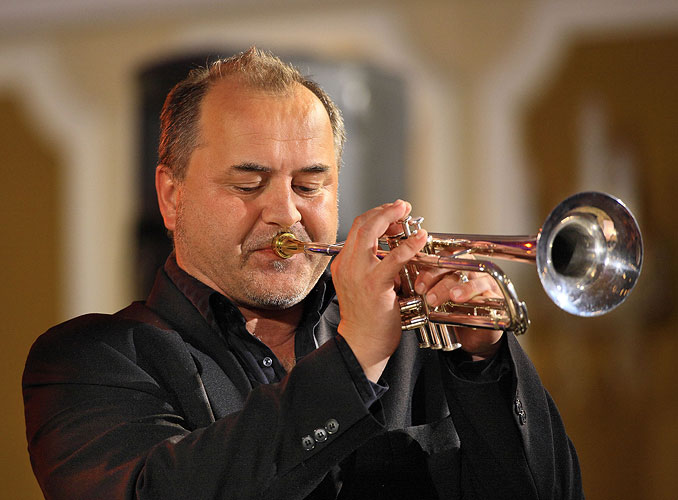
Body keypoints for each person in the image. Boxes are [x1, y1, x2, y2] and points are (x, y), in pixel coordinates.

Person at [23, 47, 584, 500]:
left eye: (310, 185)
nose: (286, 213)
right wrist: (355, 357)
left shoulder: (425, 343)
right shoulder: (90, 361)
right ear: (172, 198)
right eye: (248, 184)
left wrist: (483, 363)